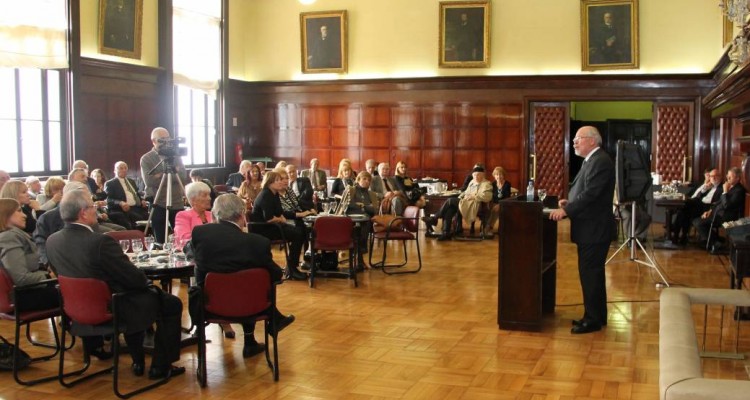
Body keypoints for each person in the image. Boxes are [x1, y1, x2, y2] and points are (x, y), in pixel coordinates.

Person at [46, 190, 185, 379]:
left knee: (141, 296)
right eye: (93, 206)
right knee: (171, 303)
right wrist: (149, 284)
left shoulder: (52, 241)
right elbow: (133, 279)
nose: (96, 209)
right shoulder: (100, 242)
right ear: (83, 213)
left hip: (77, 309)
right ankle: (161, 366)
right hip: (116, 305)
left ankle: (138, 361)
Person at [191, 194, 295, 357]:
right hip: (251, 306)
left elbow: (194, 256)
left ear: (216, 214)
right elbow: (275, 275)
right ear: (241, 214)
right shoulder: (257, 242)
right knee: (251, 284)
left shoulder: (200, 233)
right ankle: (255, 337)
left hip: (209, 306)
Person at [549, 126, 615, 334]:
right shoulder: (593, 160)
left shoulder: (600, 161)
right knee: (591, 274)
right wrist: (571, 201)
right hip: (590, 227)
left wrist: (566, 210)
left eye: (578, 138)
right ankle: (596, 316)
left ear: (592, 141)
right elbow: (586, 192)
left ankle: (593, 320)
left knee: (591, 274)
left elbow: (592, 195)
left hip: (594, 230)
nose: (574, 142)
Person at [250, 171, 307, 281]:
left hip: (274, 226)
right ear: (269, 183)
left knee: (301, 231)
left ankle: (292, 266)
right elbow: (269, 218)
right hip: (263, 229)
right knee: (298, 234)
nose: (281, 182)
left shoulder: (274, 193)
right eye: (278, 180)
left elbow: (279, 211)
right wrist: (281, 219)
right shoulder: (266, 195)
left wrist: (282, 218)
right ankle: (292, 269)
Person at [140, 127, 187, 244]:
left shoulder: (175, 156)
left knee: (181, 237)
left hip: (176, 201)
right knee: (160, 239)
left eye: (168, 138)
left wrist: (159, 176)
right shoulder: (146, 159)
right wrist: (169, 174)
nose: (167, 142)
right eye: (163, 140)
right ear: (154, 141)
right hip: (158, 202)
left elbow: (182, 176)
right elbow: (150, 181)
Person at [423, 166, 492, 241]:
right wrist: (460, 196)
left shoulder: (486, 184)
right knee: (449, 209)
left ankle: (435, 218)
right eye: (474, 175)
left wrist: (474, 196)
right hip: (465, 202)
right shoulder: (472, 182)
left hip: (474, 205)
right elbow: (465, 192)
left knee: (450, 200)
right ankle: (446, 233)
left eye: (478, 175)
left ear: (482, 175)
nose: (476, 176)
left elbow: (488, 197)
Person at [694, 166, 747, 251]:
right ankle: (717, 240)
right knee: (696, 220)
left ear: (737, 178)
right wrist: (709, 211)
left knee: (699, 223)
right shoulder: (731, 187)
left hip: (727, 216)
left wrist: (725, 191)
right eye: (727, 176)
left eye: (731, 177)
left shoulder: (739, 190)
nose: (728, 178)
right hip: (718, 213)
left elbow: (727, 205)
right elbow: (718, 202)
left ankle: (715, 243)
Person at [671, 168, 722, 244]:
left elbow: (718, 202)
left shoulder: (721, 188)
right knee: (684, 212)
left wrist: (710, 210)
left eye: (715, 176)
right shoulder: (710, 186)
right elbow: (699, 196)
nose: (713, 178)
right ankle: (680, 235)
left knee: (684, 209)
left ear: (720, 176)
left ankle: (676, 232)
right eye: (711, 176)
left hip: (706, 208)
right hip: (698, 205)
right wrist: (704, 188)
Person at [347, 171, 380, 269]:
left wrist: (362, 206)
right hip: (350, 219)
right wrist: (366, 207)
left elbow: (374, 209)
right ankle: (359, 259)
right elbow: (349, 205)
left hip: (365, 220)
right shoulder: (351, 190)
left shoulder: (371, 194)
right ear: (358, 179)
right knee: (360, 228)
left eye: (369, 180)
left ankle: (359, 258)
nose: (367, 181)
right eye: (364, 179)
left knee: (364, 225)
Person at [104, 161, 150, 230]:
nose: (124, 170)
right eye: (121, 168)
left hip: (137, 207)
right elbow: (108, 199)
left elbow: (136, 193)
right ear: (115, 170)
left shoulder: (131, 181)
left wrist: (141, 200)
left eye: (125, 168)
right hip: (123, 209)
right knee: (137, 218)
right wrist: (120, 203)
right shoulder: (110, 183)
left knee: (151, 217)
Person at [486, 167, 512, 236]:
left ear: (503, 175)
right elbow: (490, 196)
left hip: (504, 204)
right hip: (494, 204)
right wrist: (490, 204)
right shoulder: (493, 184)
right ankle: (489, 228)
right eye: (497, 175)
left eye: (500, 174)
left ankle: (488, 228)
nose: (498, 176)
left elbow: (507, 197)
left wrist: (500, 205)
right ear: (494, 176)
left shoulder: (507, 184)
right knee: (493, 209)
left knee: (496, 210)